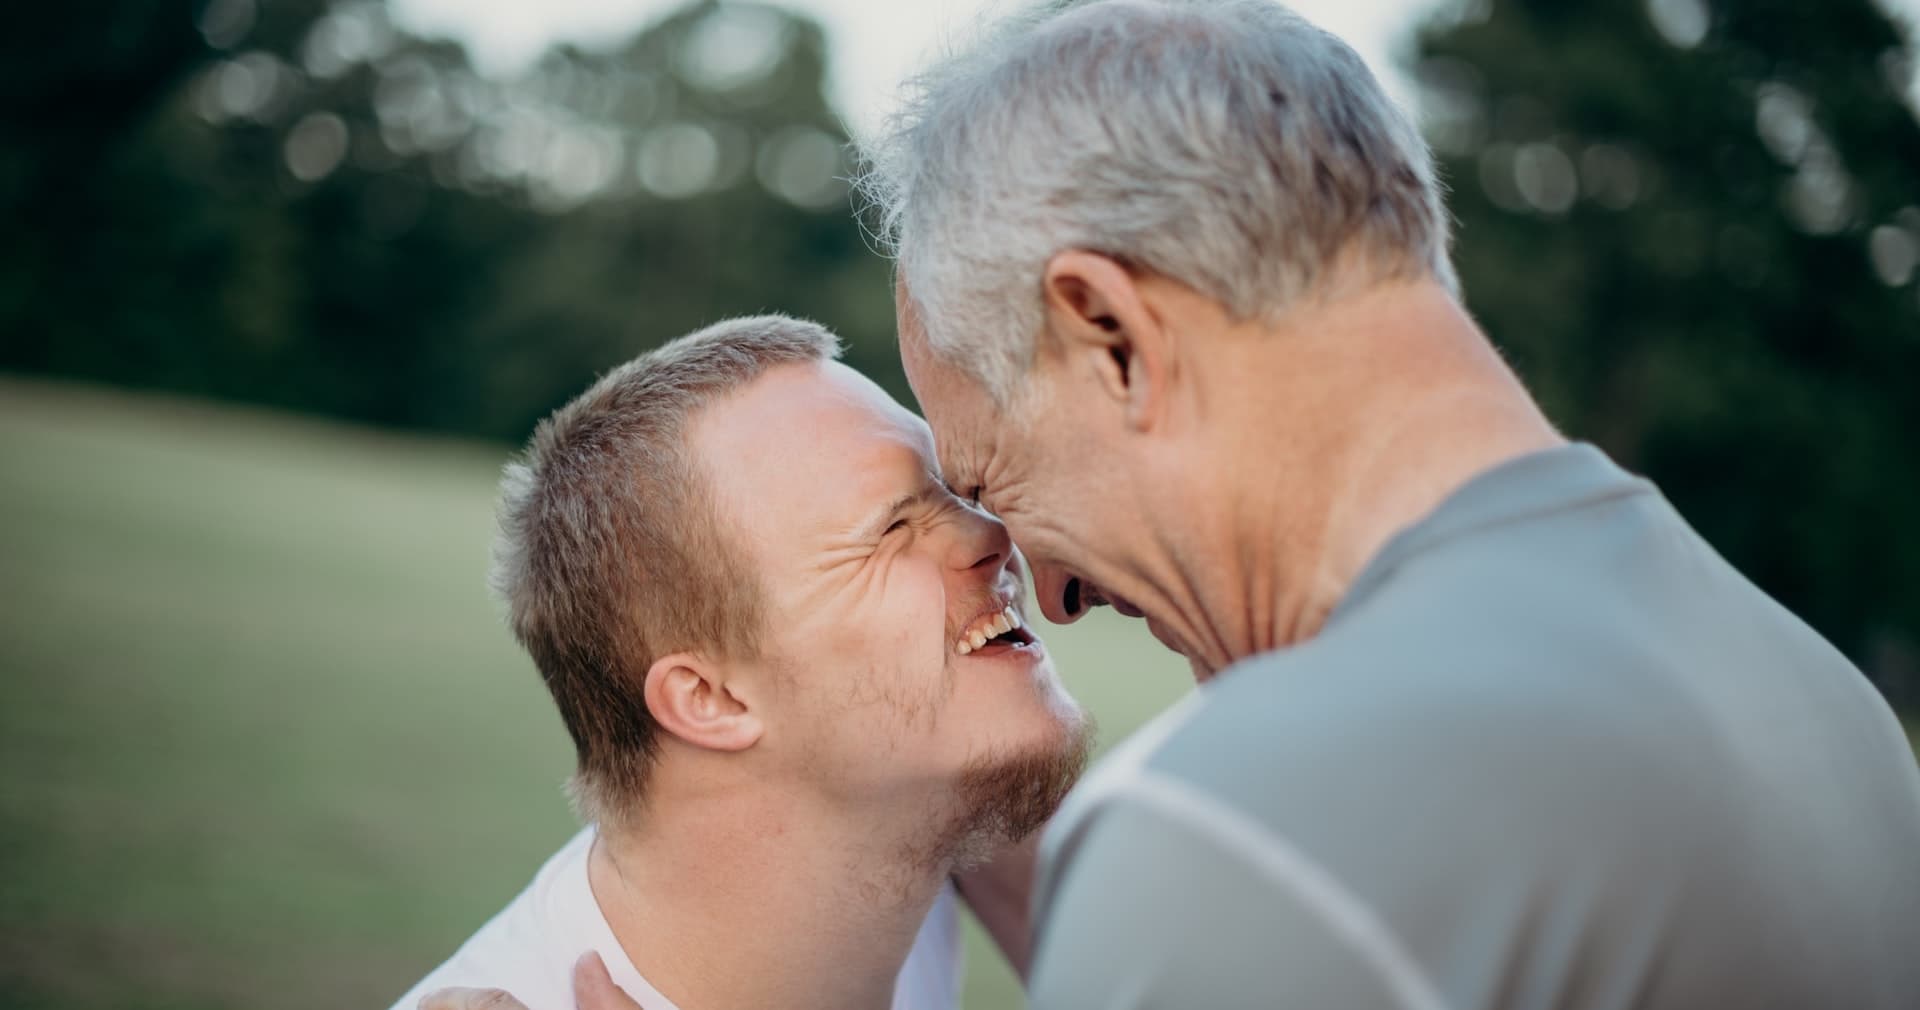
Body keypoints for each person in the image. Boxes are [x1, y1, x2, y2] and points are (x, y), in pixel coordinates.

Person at [431, 1, 1920, 1008]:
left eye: (990, 471)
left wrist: (1182, 872)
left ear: (1118, 339)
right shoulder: (1822, 704)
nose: (1050, 587)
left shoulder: (1259, 834)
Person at [395, 315, 1088, 1010]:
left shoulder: (906, 831)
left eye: (957, 491)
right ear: (710, 698)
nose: (994, 533)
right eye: (891, 530)